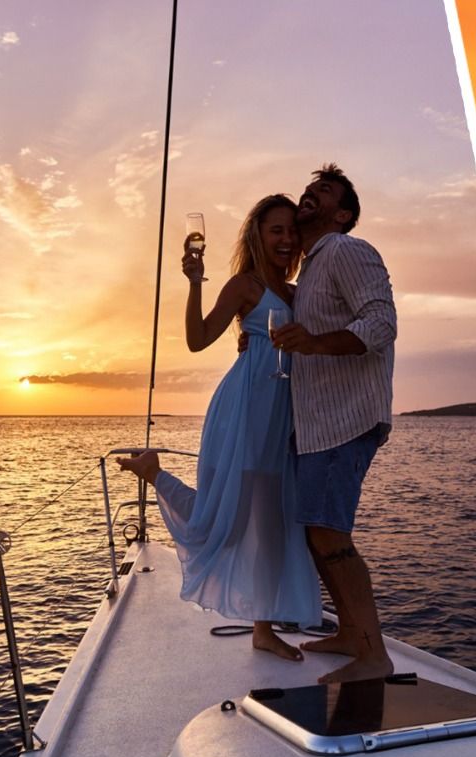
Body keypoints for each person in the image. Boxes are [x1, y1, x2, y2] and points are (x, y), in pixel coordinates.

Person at [118, 195, 320, 661]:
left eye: (292, 230)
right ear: (257, 236)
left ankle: (263, 630)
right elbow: (196, 340)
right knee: (223, 522)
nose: (287, 239)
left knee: (272, 527)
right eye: (276, 230)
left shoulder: (296, 294)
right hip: (245, 409)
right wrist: (194, 283)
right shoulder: (244, 286)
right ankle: (154, 474)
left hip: (282, 417)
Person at [270, 163, 398, 684]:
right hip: (318, 421)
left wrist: (315, 343)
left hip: (346, 418)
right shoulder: (309, 273)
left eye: (324, 191)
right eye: (310, 187)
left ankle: (373, 655)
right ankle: (350, 633)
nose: (310, 193)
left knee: (330, 533)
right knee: (316, 534)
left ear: (343, 215)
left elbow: (382, 324)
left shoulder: (347, 250)